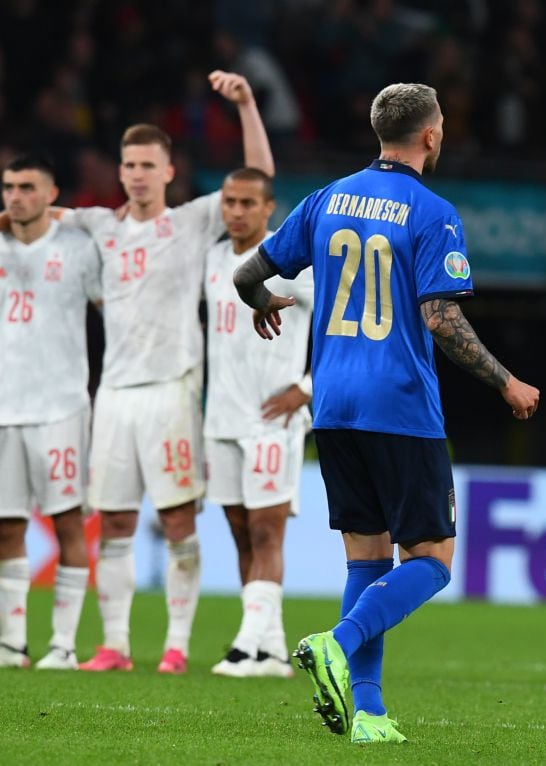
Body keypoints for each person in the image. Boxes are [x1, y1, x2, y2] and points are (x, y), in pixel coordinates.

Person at [233, 82, 540, 745]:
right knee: (431, 560)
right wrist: (505, 380)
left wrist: (263, 303)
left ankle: (368, 714)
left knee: (366, 561)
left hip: (335, 404)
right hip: (398, 405)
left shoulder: (325, 199)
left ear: (380, 130)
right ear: (431, 134)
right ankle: (338, 643)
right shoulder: (432, 213)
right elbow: (441, 317)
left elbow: (246, 275)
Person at [65, 71, 274, 674]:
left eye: (146, 165)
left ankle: (177, 647)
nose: (135, 174)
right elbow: (34, 214)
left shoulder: (189, 223)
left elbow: (259, 177)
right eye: (128, 164)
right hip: (114, 395)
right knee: (116, 522)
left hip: (173, 389)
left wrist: (246, 105)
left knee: (178, 519)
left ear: (167, 170)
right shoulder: (98, 226)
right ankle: (115, 646)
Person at [205, 168, 313, 678]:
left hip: (273, 419)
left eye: (248, 202)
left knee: (267, 533)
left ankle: (246, 645)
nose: (237, 211)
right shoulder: (210, 258)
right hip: (220, 419)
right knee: (240, 534)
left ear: (269, 208)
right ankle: (272, 649)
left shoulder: (291, 264)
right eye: (230, 201)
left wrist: (307, 387)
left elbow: (342, 323)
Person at [0, 154, 100, 670]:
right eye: (8, 187)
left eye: (25, 187)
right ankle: (12, 643)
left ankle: (63, 643)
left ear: (50, 194)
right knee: (6, 528)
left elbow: (116, 307)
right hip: (3, 409)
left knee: (67, 524)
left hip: (60, 406)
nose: (15, 196)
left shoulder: (78, 249)